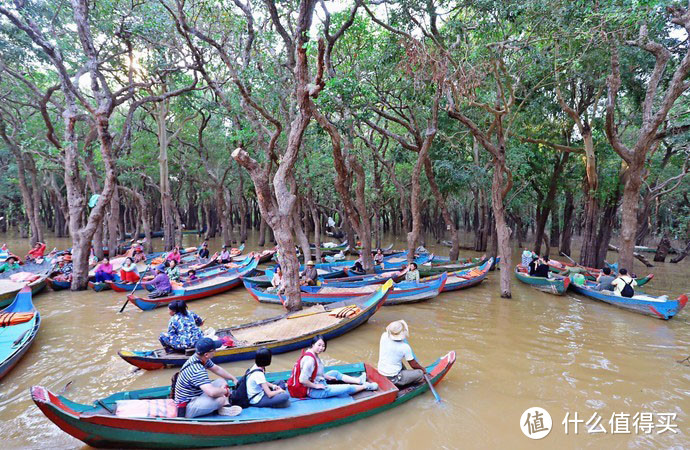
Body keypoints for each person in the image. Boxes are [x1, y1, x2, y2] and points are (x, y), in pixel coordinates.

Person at [292, 335, 377, 400]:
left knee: (335, 373)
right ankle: (366, 386)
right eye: (319, 345)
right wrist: (316, 386)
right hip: (314, 391)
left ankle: (359, 381)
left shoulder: (312, 353)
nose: (321, 348)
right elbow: (302, 380)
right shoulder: (310, 360)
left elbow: (315, 372)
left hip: (318, 380)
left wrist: (326, 376)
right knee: (346, 388)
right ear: (313, 344)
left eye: (323, 346)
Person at [174, 337, 240, 418]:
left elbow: (217, 369)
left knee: (221, 381)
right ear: (206, 354)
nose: (215, 351)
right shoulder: (197, 369)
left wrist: (233, 378)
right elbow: (211, 392)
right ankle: (223, 403)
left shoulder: (200, 358)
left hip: (197, 395)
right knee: (220, 399)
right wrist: (226, 391)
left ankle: (225, 405)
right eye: (214, 350)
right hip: (188, 406)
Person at [377, 320, 426, 387]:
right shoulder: (404, 347)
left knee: (399, 362)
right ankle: (407, 381)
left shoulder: (384, 335)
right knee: (420, 373)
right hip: (394, 378)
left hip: (381, 371)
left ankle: (406, 376)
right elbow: (413, 365)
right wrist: (422, 369)